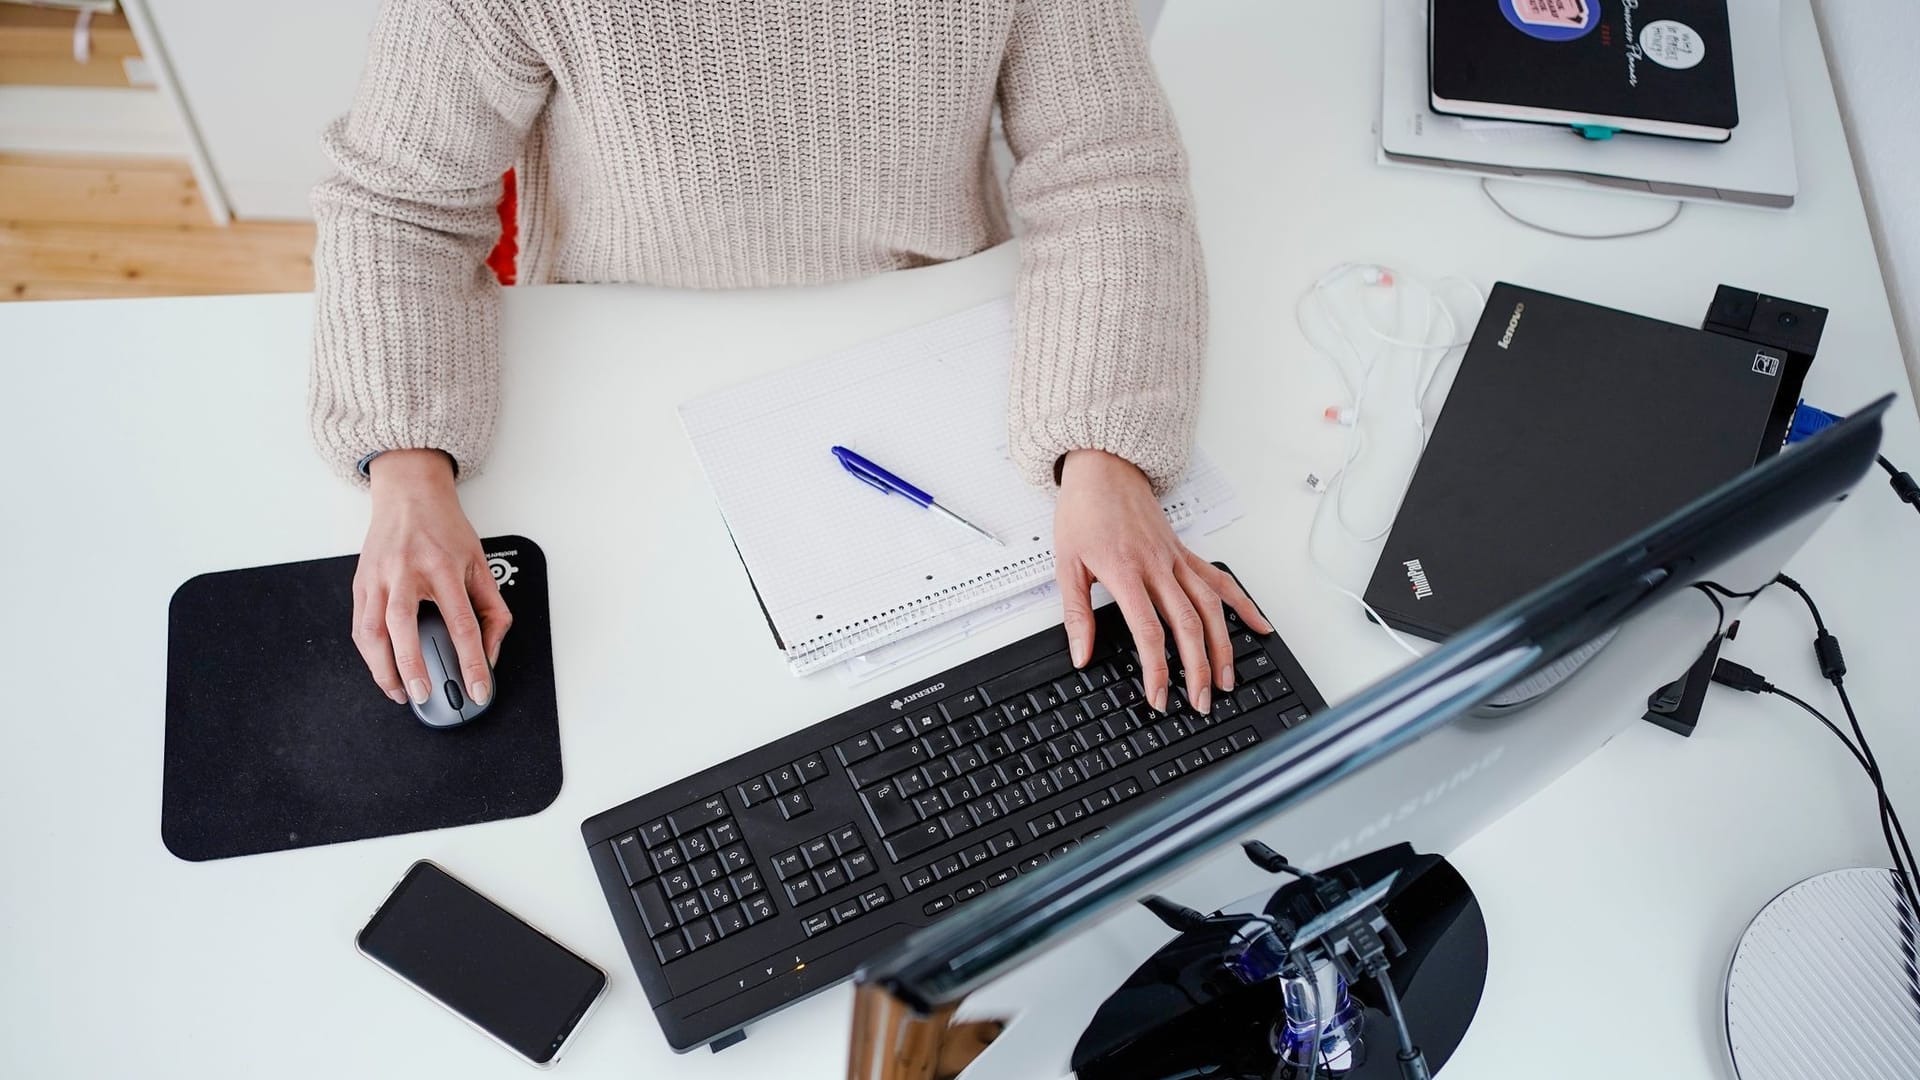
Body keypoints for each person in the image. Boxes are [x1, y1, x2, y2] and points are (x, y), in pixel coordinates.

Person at [310, 0, 1272, 721]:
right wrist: (406, 468)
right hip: (626, 361)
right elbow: (403, 202)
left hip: (928, 339)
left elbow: (1105, 167)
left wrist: (1105, 451)